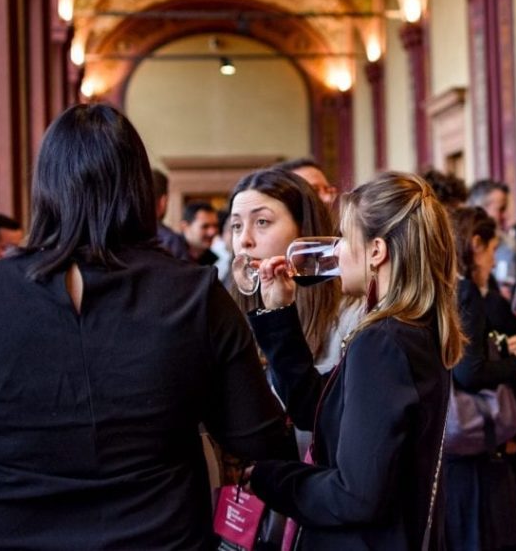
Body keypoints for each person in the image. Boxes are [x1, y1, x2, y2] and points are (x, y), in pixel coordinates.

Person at [0, 103, 295, 549]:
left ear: (44, 188)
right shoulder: (193, 293)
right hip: (160, 536)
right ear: (138, 187)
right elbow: (261, 440)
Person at [245, 172, 465, 549]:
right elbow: (317, 407)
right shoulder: (413, 329)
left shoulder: (383, 341)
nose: (337, 251)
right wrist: (280, 313)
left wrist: (271, 479)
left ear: (377, 251)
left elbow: (355, 496)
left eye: (345, 237)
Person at [444, 206, 516, 551]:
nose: (495, 263)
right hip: (468, 443)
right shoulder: (463, 288)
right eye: (494, 251)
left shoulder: (438, 286)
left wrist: (498, 348)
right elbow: (469, 371)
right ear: (476, 244)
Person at [228, 168, 345, 372]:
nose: (244, 240)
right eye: (236, 226)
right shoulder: (230, 312)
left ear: (303, 229)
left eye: (262, 222)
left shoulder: (348, 313)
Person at [178, 202, 221, 267]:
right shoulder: (170, 255)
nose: (212, 232)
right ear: (185, 227)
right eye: (205, 226)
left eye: (215, 226)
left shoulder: (211, 260)